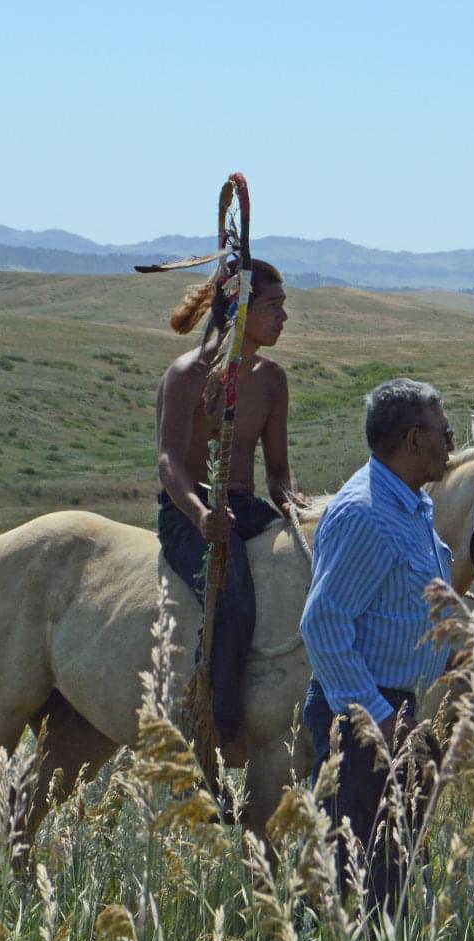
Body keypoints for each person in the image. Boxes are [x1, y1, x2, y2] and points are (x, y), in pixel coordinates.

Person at [300, 378, 456, 910]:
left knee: (388, 873)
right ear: (414, 441)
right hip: (360, 717)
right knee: (350, 876)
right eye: (443, 431)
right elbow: (322, 623)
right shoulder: (365, 513)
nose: (451, 442)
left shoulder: (411, 503)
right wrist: (378, 719)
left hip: (393, 708)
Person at [154, 259, 299, 742]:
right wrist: (200, 518)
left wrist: (292, 507)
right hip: (189, 510)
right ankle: (217, 722)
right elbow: (169, 463)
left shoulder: (272, 379)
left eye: (283, 307)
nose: (283, 317)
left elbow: (277, 470)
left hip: (244, 507)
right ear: (240, 309)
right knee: (231, 588)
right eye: (273, 306)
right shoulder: (186, 375)